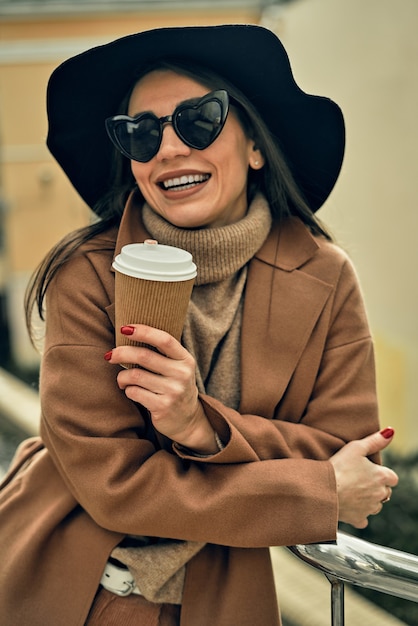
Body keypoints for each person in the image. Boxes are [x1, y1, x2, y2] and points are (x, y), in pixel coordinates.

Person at [0, 25, 398, 626]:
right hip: (60, 581)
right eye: (140, 133)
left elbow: (347, 451)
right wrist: (310, 491)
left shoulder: (326, 276)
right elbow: (112, 482)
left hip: (216, 598)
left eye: (199, 121)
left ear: (255, 145)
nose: (168, 149)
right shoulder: (85, 272)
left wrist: (199, 424)